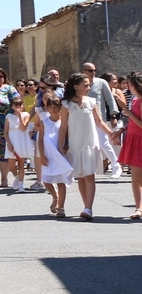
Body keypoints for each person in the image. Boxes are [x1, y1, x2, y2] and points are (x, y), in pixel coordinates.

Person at [59, 73, 116, 220]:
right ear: (75, 87)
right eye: (85, 85)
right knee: (81, 177)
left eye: (89, 84)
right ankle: (86, 206)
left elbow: (99, 122)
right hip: (74, 144)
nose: (88, 87)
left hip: (90, 143)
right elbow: (63, 127)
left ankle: (88, 208)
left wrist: (111, 134)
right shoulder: (66, 104)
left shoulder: (91, 102)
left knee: (89, 175)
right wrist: (60, 145)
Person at [83, 63, 123, 177]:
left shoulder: (101, 82)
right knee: (85, 143)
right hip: (82, 118)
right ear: (83, 71)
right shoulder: (78, 82)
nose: (93, 72)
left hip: (99, 117)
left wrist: (113, 115)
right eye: (90, 70)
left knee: (104, 142)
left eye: (94, 70)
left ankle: (116, 166)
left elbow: (110, 100)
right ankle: (87, 169)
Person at [36, 93, 73, 217]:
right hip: (48, 154)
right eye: (50, 107)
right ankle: (54, 196)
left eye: (56, 107)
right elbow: (40, 139)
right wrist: (42, 155)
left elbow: (68, 137)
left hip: (59, 154)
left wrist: (66, 147)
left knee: (60, 181)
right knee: (46, 180)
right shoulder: (44, 122)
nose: (53, 109)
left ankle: (61, 207)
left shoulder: (64, 122)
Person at [119, 73, 142, 217]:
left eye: (129, 84)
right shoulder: (134, 99)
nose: (127, 86)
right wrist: (121, 130)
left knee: (137, 177)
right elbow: (133, 123)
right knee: (135, 177)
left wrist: (129, 114)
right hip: (133, 139)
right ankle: (138, 208)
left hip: (140, 140)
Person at [3, 96, 34, 192]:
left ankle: (21, 185)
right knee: (11, 164)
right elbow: (5, 132)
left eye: (20, 105)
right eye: (15, 105)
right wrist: (9, 143)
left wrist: (20, 115)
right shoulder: (9, 116)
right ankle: (16, 177)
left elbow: (23, 128)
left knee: (21, 164)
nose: (18, 107)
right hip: (12, 140)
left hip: (22, 140)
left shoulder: (26, 115)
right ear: (12, 106)